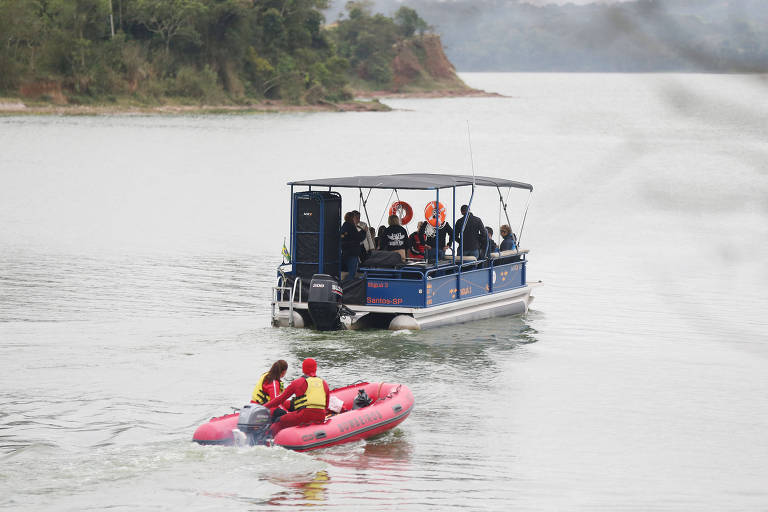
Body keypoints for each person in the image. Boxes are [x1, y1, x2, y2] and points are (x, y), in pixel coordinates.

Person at [263, 358, 330, 436]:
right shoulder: (324, 383)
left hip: (304, 416)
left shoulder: (298, 382)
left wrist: (264, 406)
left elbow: (280, 399)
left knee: (279, 420)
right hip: (321, 417)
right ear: (315, 369)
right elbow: (326, 405)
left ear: (303, 369)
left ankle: (267, 440)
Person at [340, 212, 366, 282]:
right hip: (352, 252)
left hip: (346, 252)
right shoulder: (351, 227)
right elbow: (358, 237)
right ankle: (348, 287)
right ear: (352, 218)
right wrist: (364, 231)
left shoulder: (344, 226)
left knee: (350, 271)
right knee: (352, 272)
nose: (357, 220)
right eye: (356, 218)